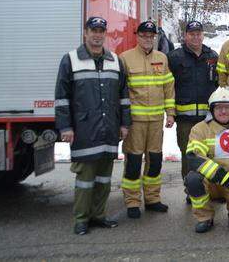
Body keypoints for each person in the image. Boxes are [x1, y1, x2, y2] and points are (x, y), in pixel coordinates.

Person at [54, 17, 131, 235]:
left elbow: (123, 96)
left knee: (104, 178)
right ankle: (81, 219)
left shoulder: (115, 61)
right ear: (85, 33)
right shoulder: (70, 60)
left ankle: (99, 216)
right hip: (84, 129)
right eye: (93, 30)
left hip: (109, 129)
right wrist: (65, 127)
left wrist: (124, 124)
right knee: (85, 179)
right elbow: (62, 97)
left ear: (105, 34)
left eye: (101, 31)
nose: (97, 35)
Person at [183, 87, 229, 233]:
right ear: (211, 110)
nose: (223, 111)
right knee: (193, 180)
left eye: (227, 107)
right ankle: (205, 217)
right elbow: (194, 158)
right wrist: (225, 179)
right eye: (219, 108)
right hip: (211, 181)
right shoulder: (200, 129)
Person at [120, 21, 174, 218]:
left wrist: (171, 113)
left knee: (155, 161)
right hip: (135, 122)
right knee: (133, 162)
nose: (147, 39)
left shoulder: (162, 58)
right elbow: (121, 92)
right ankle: (132, 202)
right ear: (137, 36)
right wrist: (122, 121)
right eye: (143, 35)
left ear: (155, 38)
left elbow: (168, 88)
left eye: (151, 36)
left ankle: (152, 199)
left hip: (156, 121)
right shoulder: (125, 58)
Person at [168, 20, 219, 197]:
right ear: (185, 35)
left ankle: (212, 189)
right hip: (185, 119)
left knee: (210, 153)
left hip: (208, 118)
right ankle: (192, 191)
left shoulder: (212, 56)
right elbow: (168, 87)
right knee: (189, 155)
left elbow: (218, 84)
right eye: (192, 34)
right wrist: (171, 113)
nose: (196, 37)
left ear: (202, 35)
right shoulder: (175, 57)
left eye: (199, 33)